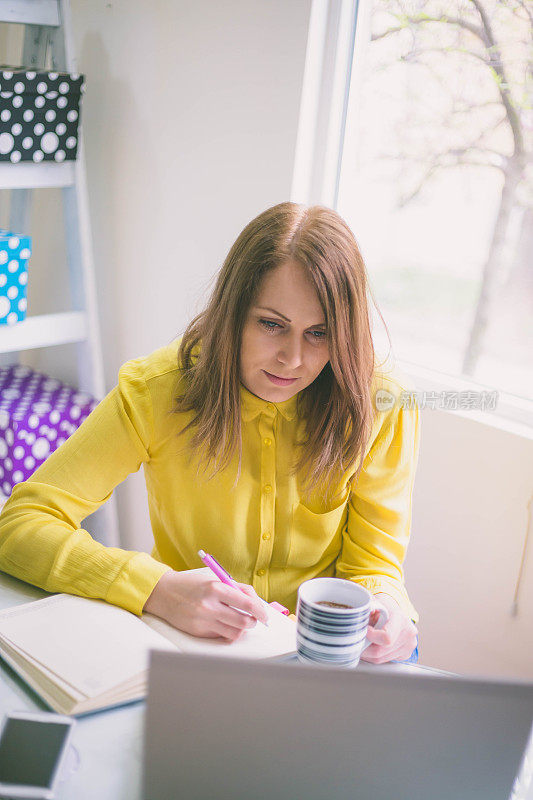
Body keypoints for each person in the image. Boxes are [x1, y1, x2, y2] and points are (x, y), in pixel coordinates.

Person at [0, 202, 419, 664]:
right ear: (232, 313)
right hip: (185, 646)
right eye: (271, 325)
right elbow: (19, 525)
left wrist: (390, 608)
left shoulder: (381, 404)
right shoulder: (154, 392)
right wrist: (155, 588)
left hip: (323, 662)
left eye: (318, 333)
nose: (293, 359)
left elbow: (374, 564)